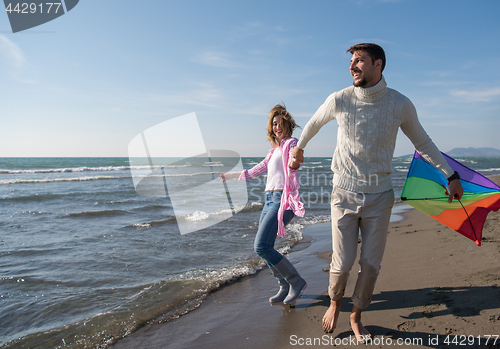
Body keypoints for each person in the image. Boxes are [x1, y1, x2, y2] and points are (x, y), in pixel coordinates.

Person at [291, 43, 463, 342]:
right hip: (343, 193)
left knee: (370, 264)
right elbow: (314, 123)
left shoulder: (399, 104)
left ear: (378, 64)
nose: (352, 66)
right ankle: (335, 303)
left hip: (380, 197)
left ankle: (356, 314)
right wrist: (298, 149)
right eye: (351, 62)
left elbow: (423, 142)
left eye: (359, 61)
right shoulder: (339, 99)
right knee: (342, 263)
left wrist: (451, 175)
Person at [220, 103, 307, 304]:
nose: (277, 127)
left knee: (261, 246)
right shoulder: (273, 151)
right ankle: (283, 285)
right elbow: (256, 170)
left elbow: (295, 160)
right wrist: (230, 175)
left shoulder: (290, 143)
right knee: (265, 246)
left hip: (281, 201)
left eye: (280, 123)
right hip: (269, 200)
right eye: (274, 124)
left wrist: (295, 160)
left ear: (287, 125)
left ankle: (296, 281)